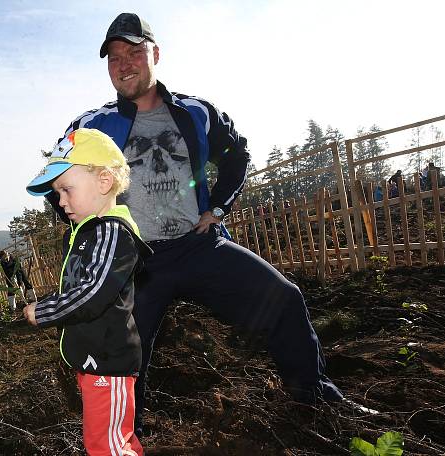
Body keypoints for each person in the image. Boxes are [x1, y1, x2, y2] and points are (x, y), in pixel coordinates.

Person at [59, 12, 359, 435]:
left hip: (199, 245)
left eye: (134, 52)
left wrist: (216, 208)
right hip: (135, 263)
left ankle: (315, 399)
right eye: (113, 57)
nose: (124, 64)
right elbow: (60, 183)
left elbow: (237, 156)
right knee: (121, 356)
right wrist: (99, 240)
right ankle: (125, 438)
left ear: (155, 54)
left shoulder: (196, 113)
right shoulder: (91, 127)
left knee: (285, 300)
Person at [24, 128, 150, 456]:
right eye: (57, 193)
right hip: (96, 360)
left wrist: (45, 310)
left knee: (106, 447)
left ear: (104, 182)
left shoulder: (111, 232)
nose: (61, 202)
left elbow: (92, 292)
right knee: (113, 439)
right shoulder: (91, 231)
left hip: (110, 362)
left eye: (66, 190)